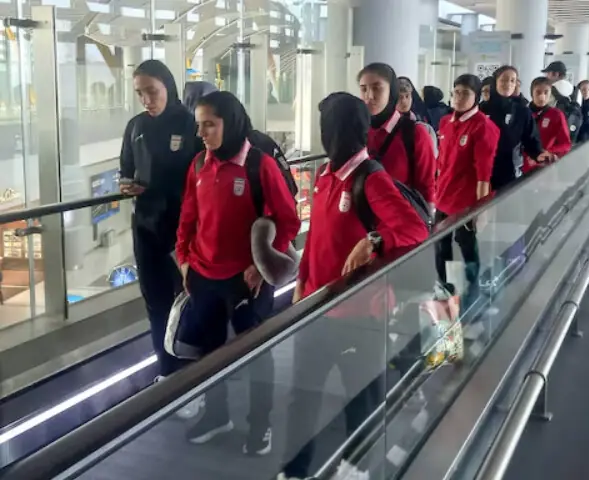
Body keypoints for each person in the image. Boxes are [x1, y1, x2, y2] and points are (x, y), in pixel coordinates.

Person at [281, 92, 429, 480]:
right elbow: (315, 241)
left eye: (328, 126)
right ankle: (294, 471)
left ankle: (357, 469)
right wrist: (301, 285)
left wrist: (374, 241)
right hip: (316, 309)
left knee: (360, 400)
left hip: (360, 316)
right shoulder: (328, 176)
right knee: (302, 400)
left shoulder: (370, 177)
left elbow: (414, 231)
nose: (325, 134)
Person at [175, 90, 300, 452]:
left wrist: (260, 265)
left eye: (209, 125)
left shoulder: (259, 165)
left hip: (247, 281)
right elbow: (188, 219)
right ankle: (217, 414)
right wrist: (184, 260)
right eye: (199, 126)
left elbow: (288, 221)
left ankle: (259, 425)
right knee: (209, 355)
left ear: (229, 124)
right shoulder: (199, 164)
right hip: (203, 275)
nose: (203, 134)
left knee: (258, 356)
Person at [119, 60, 204, 391]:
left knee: (188, 298)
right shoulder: (135, 126)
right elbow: (126, 168)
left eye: (152, 91)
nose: (146, 99)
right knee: (155, 302)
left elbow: (200, 177)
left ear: (168, 86)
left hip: (182, 229)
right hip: (146, 227)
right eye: (140, 93)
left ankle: (193, 373)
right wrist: (127, 185)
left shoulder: (189, 123)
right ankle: (166, 371)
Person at [435, 74, 499, 301]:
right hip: (443, 195)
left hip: (466, 200)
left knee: (467, 245)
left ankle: (474, 287)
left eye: (466, 93)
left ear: (477, 96)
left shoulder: (484, 126)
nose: (459, 98)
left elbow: (483, 173)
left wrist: (479, 209)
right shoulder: (446, 122)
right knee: (440, 245)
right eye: (456, 92)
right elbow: (442, 161)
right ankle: (446, 288)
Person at [359, 64, 436, 207]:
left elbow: (426, 186)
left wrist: (428, 220)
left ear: (392, 91)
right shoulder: (359, 130)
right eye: (364, 89)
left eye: (377, 88)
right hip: (364, 221)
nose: (369, 96)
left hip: (400, 221)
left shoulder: (415, 133)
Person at [479, 65, 546, 190]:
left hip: (510, 171)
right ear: (495, 82)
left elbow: (531, 139)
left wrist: (539, 154)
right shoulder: (482, 110)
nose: (508, 84)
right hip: (483, 172)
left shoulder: (522, 111)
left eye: (512, 80)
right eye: (504, 80)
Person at [521, 77, 571, 175]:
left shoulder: (556, 115)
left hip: (545, 168)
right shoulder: (522, 113)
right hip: (522, 168)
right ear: (532, 93)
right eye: (538, 92)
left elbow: (566, 144)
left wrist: (549, 152)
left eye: (546, 92)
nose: (542, 97)